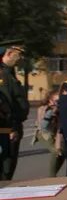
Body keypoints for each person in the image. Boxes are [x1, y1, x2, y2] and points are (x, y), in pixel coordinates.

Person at [0, 41, 30, 180]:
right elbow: (5, 104)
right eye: (18, 55)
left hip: (12, 127)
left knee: (9, 167)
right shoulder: (3, 75)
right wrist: (11, 128)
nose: (20, 59)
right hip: (7, 129)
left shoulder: (9, 73)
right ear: (9, 53)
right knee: (6, 168)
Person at [34, 87, 64, 177]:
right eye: (56, 100)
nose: (57, 103)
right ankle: (52, 177)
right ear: (50, 100)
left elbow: (59, 129)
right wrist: (51, 112)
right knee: (55, 152)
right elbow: (43, 126)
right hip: (43, 134)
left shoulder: (61, 110)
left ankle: (53, 174)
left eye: (59, 101)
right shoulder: (42, 109)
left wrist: (58, 145)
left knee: (61, 152)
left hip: (55, 133)